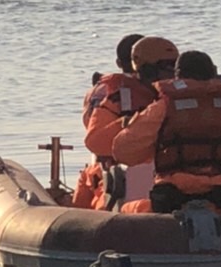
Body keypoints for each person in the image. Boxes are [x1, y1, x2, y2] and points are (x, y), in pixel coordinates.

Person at [111, 49, 221, 215]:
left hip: (173, 201)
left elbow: (123, 152)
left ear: (177, 77)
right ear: (214, 73)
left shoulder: (163, 107)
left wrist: (159, 151)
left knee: (127, 210)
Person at [72, 33, 179, 209]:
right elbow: (96, 142)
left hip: (170, 180)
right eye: (166, 68)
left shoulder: (179, 98)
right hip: (133, 177)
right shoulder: (118, 97)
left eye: (173, 68)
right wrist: (127, 123)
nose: (171, 74)